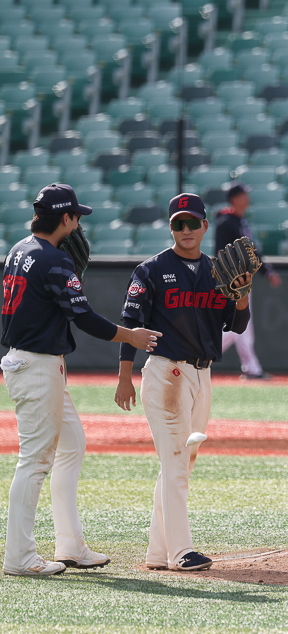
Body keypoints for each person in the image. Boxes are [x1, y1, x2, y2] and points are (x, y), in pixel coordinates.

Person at [1, 183, 160, 576]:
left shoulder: (18, 250)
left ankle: (70, 545)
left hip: (31, 361)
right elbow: (84, 318)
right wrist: (130, 335)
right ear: (66, 217)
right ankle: (19, 557)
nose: (77, 227)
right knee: (34, 462)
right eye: (76, 218)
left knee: (72, 445)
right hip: (37, 366)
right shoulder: (54, 261)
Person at [114, 193, 252, 570]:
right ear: (171, 227)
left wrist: (242, 297)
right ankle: (181, 552)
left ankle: (158, 552)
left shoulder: (216, 272)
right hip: (165, 373)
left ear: (205, 226)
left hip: (202, 374)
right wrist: (125, 375)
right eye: (179, 223)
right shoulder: (152, 270)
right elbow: (130, 324)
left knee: (181, 463)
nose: (186, 230)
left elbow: (236, 324)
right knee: (175, 462)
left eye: (193, 223)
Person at [214, 181, 281, 380]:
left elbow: (251, 251)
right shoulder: (227, 222)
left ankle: (251, 368)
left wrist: (266, 271)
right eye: (244, 195)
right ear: (235, 198)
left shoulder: (239, 221)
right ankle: (203, 353)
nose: (248, 198)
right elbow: (223, 253)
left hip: (241, 279)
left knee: (242, 327)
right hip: (231, 280)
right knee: (238, 327)